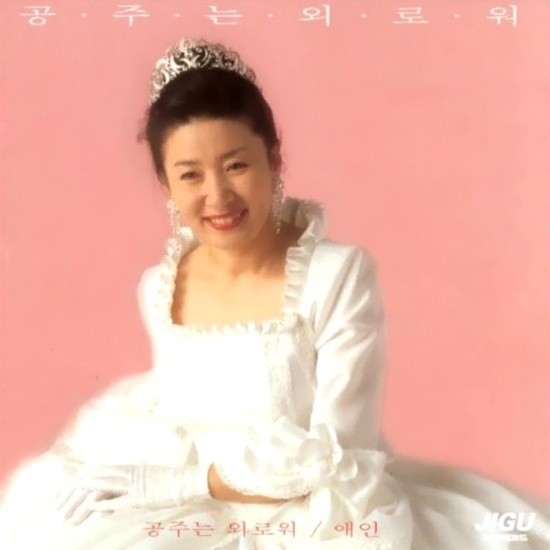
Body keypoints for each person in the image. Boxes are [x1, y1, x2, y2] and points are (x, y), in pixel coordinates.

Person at [0, 37, 549, 550]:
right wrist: (146, 481)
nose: (218, 195)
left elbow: (337, 452)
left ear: (274, 159)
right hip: (190, 512)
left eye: (236, 165)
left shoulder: (337, 276)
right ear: (165, 184)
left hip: (319, 513)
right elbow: (179, 416)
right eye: (190, 175)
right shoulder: (158, 288)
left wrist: (176, 483)